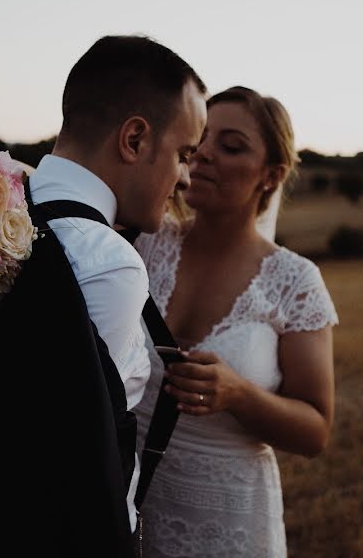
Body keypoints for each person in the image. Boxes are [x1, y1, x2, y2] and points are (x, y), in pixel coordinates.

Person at [0, 35, 206, 557]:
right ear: (134, 139)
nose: (185, 177)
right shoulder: (108, 260)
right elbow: (76, 464)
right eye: (184, 154)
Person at [133, 86, 338, 557]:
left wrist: (238, 394)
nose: (204, 154)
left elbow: (315, 430)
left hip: (229, 519)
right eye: (201, 138)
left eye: (231, 146)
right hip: (130, 502)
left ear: (271, 175)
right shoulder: (145, 244)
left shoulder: (295, 281)